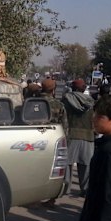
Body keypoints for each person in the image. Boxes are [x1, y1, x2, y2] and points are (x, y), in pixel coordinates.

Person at [62, 79, 95, 197]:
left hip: (71, 135)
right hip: (88, 136)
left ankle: (66, 189)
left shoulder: (66, 100)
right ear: (83, 88)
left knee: (67, 164)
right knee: (86, 165)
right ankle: (85, 190)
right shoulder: (91, 102)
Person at [40, 78, 69, 208]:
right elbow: (65, 126)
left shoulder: (32, 102)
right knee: (54, 170)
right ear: (53, 89)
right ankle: (51, 199)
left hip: (36, 140)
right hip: (54, 140)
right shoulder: (59, 105)